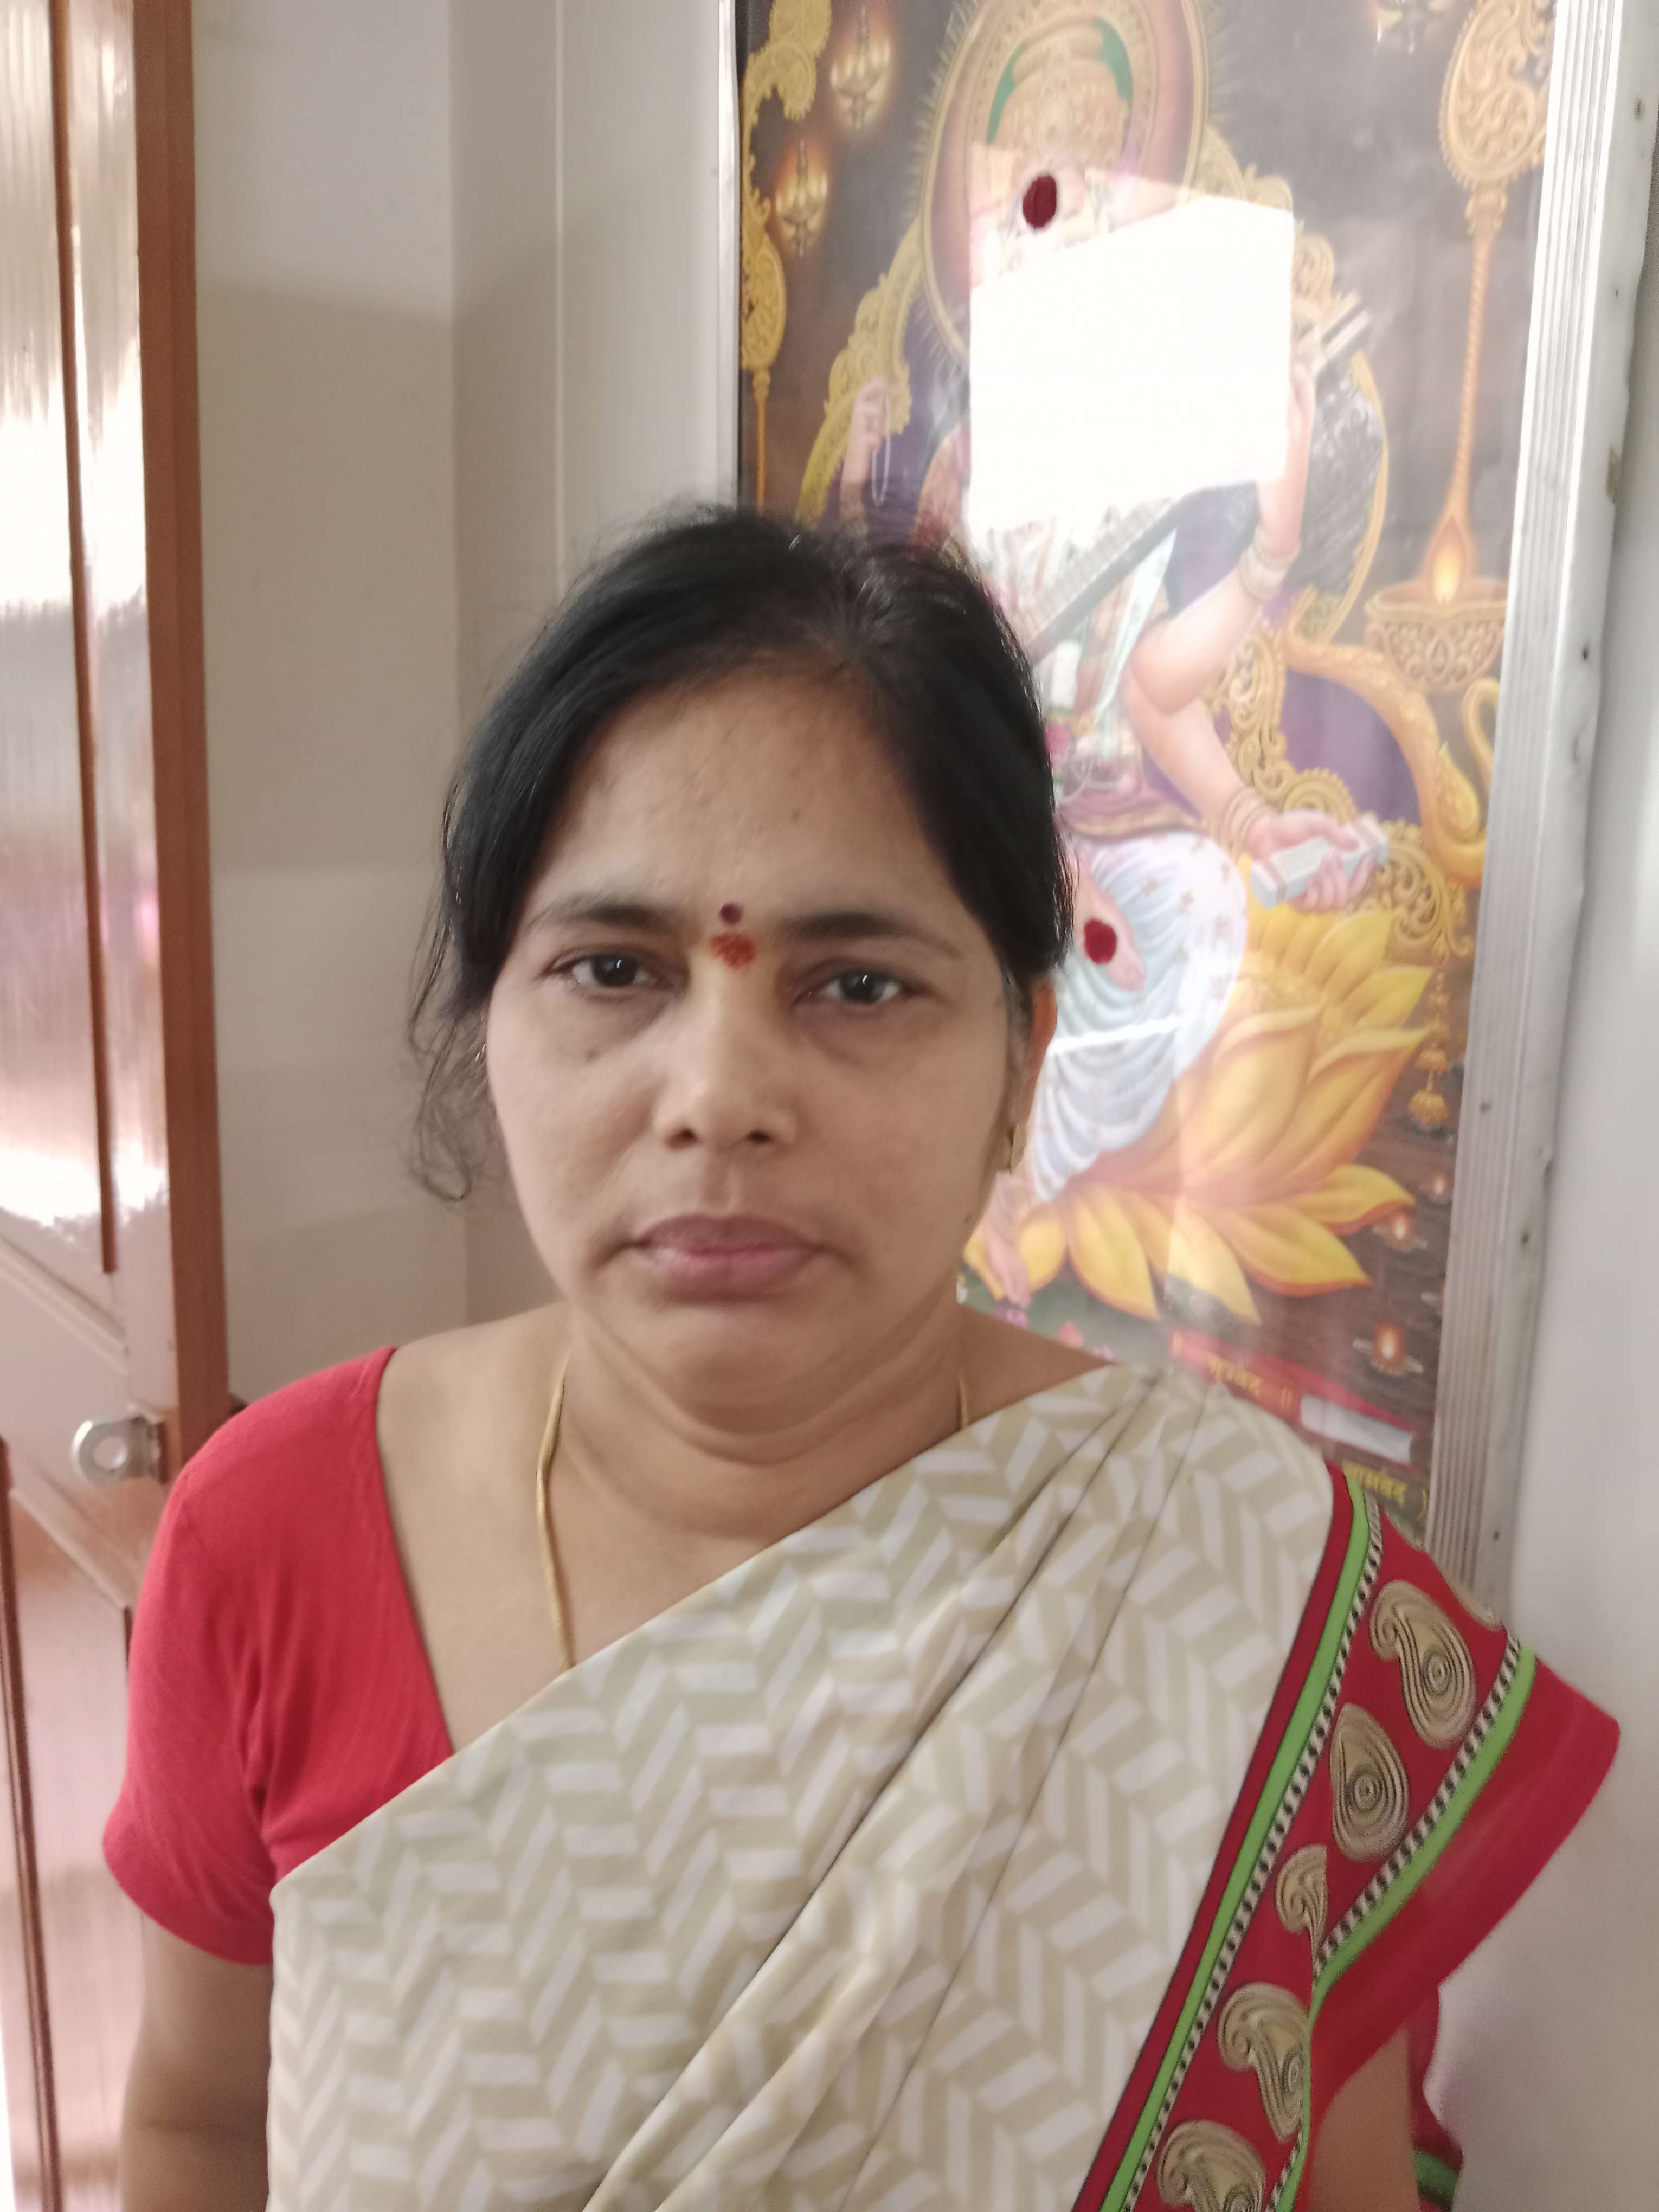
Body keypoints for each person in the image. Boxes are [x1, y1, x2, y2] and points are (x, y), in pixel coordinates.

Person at [108, 511, 1613, 2211]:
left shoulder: (1235, 1583)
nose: (717, 1098)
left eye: (857, 986)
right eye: (612, 970)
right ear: (491, 1018)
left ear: (1020, 1062)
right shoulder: (271, 1539)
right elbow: (199, 2125)